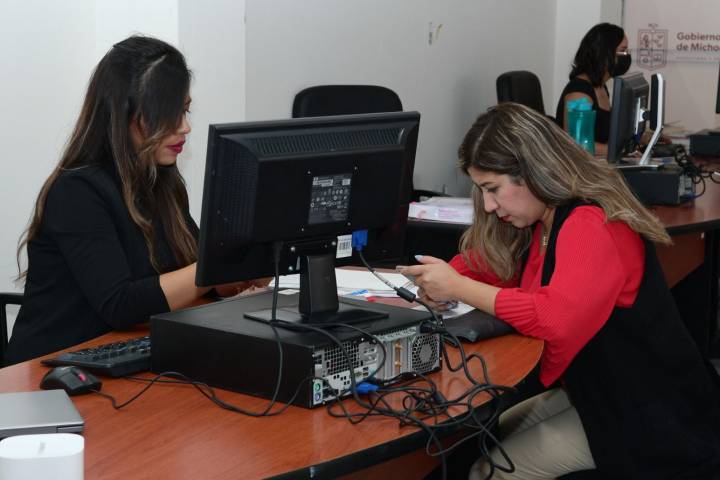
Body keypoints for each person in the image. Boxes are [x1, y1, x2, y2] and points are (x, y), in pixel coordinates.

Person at [401, 103, 720, 479]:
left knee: (490, 469)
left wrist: (459, 287)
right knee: (484, 430)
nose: (487, 204)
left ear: (532, 173)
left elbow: (554, 318)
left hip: (649, 415)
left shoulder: (591, 223)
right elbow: (499, 267)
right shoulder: (545, 217)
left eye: (493, 189)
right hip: (598, 390)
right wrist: (440, 277)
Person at [6, 36, 264, 365]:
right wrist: (214, 268)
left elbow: (194, 275)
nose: (185, 127)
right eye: (168, 114)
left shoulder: (163, 182)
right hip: (53, 370)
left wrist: (249, 268)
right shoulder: (77, 191)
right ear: (123, 113)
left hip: (123, 356)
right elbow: (121, 304)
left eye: (184, 110)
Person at [555, 23, 630, 157]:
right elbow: (576, 144)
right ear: (605, 53)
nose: (627, 56)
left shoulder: (601, 86)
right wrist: (619, 150)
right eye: (623, 50)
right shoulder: (579, 93)